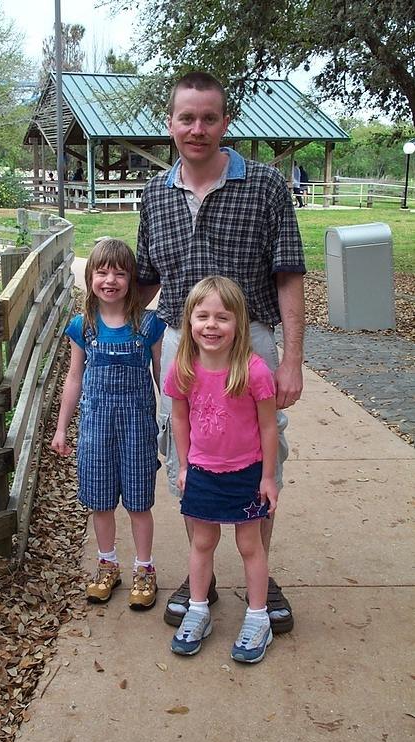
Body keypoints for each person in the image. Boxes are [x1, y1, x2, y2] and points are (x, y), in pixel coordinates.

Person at [136, 71, 305, 635]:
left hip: (249, 337)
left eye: (209, 117)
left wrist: (291, 358)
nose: (197, 128)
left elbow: (288, 276)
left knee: (260, 451)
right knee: (185, 455)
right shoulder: (154, 196)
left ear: (225, 122)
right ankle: (200, 574)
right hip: (181, 345)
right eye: (187, 118)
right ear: (170, 124)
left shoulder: (264, 186)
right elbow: (146, 277)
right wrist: (105, 323)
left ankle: (262, 569)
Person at [164, 277, 278, 662]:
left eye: (222, 317)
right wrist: (183, 465)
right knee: (202, 542)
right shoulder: (183, 369)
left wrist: (267, 476)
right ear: (190, 321)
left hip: (246, 473)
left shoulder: (254, 371)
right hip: (202, 472)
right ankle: (198, 610)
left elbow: (267, 426)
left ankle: (258, 617)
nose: (211, 325)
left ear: (239, 323)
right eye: (203, 316)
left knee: (250, 545)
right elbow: (179, 419)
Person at [51, 238, 166, 610]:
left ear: (132, 278)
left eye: (119, 272)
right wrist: (61, 428)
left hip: (137, 428)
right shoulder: (81, 326)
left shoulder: (148, 325)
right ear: (90, 277)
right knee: (100, 501)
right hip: (95, 428)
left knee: (138, 502)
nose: (110, 279)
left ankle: (144, 568)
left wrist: (177, 422)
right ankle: (107, 563)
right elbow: (74, 378)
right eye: (102, 271)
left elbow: (164, 377)